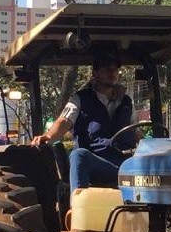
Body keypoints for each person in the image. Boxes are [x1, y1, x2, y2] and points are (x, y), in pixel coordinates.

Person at [31, 52, 138, 195]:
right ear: (95, 74)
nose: (112, 73)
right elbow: (65, 120)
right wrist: (48, 136)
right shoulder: (80, 99)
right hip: (97, 162)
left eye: (115, 69)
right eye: (107, 69)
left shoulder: (127, 101)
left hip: (126, 163)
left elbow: (137, 131)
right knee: (79, 155)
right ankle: (78, 209)